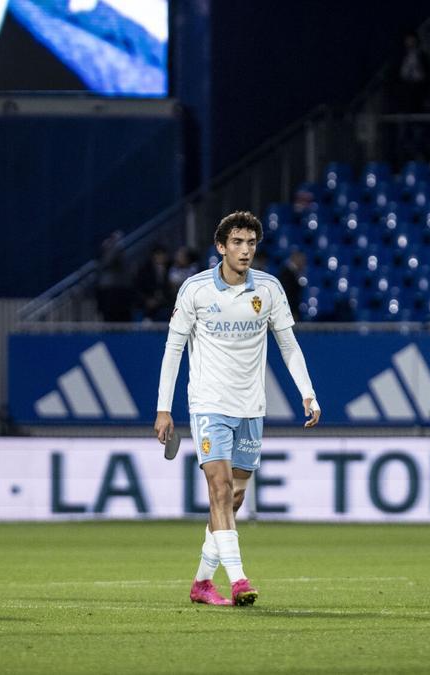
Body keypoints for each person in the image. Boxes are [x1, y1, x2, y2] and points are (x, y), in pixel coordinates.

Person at [154, 211, 321, 607]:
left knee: (234, 499)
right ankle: (239, 579)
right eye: (237, 243)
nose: (245, 250)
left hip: (251, 407)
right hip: (208, 404)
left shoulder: (269, 289)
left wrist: (308, 393)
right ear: (221, 247)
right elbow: (173, 349)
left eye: (251, 243)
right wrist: (164, 408)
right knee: (220, 487)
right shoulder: (196, 290)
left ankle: (201, 583)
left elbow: (288, 345)